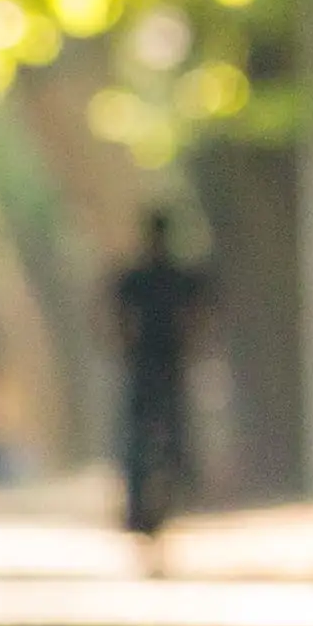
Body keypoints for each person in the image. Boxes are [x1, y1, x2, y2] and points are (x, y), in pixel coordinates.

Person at [110, 211, 211, 545]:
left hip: (160, 367)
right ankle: (145, 504)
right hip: (154, 367)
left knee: (160, 437)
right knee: (147, 439)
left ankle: (162, 499)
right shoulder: (145, 278)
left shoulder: (152, 278)